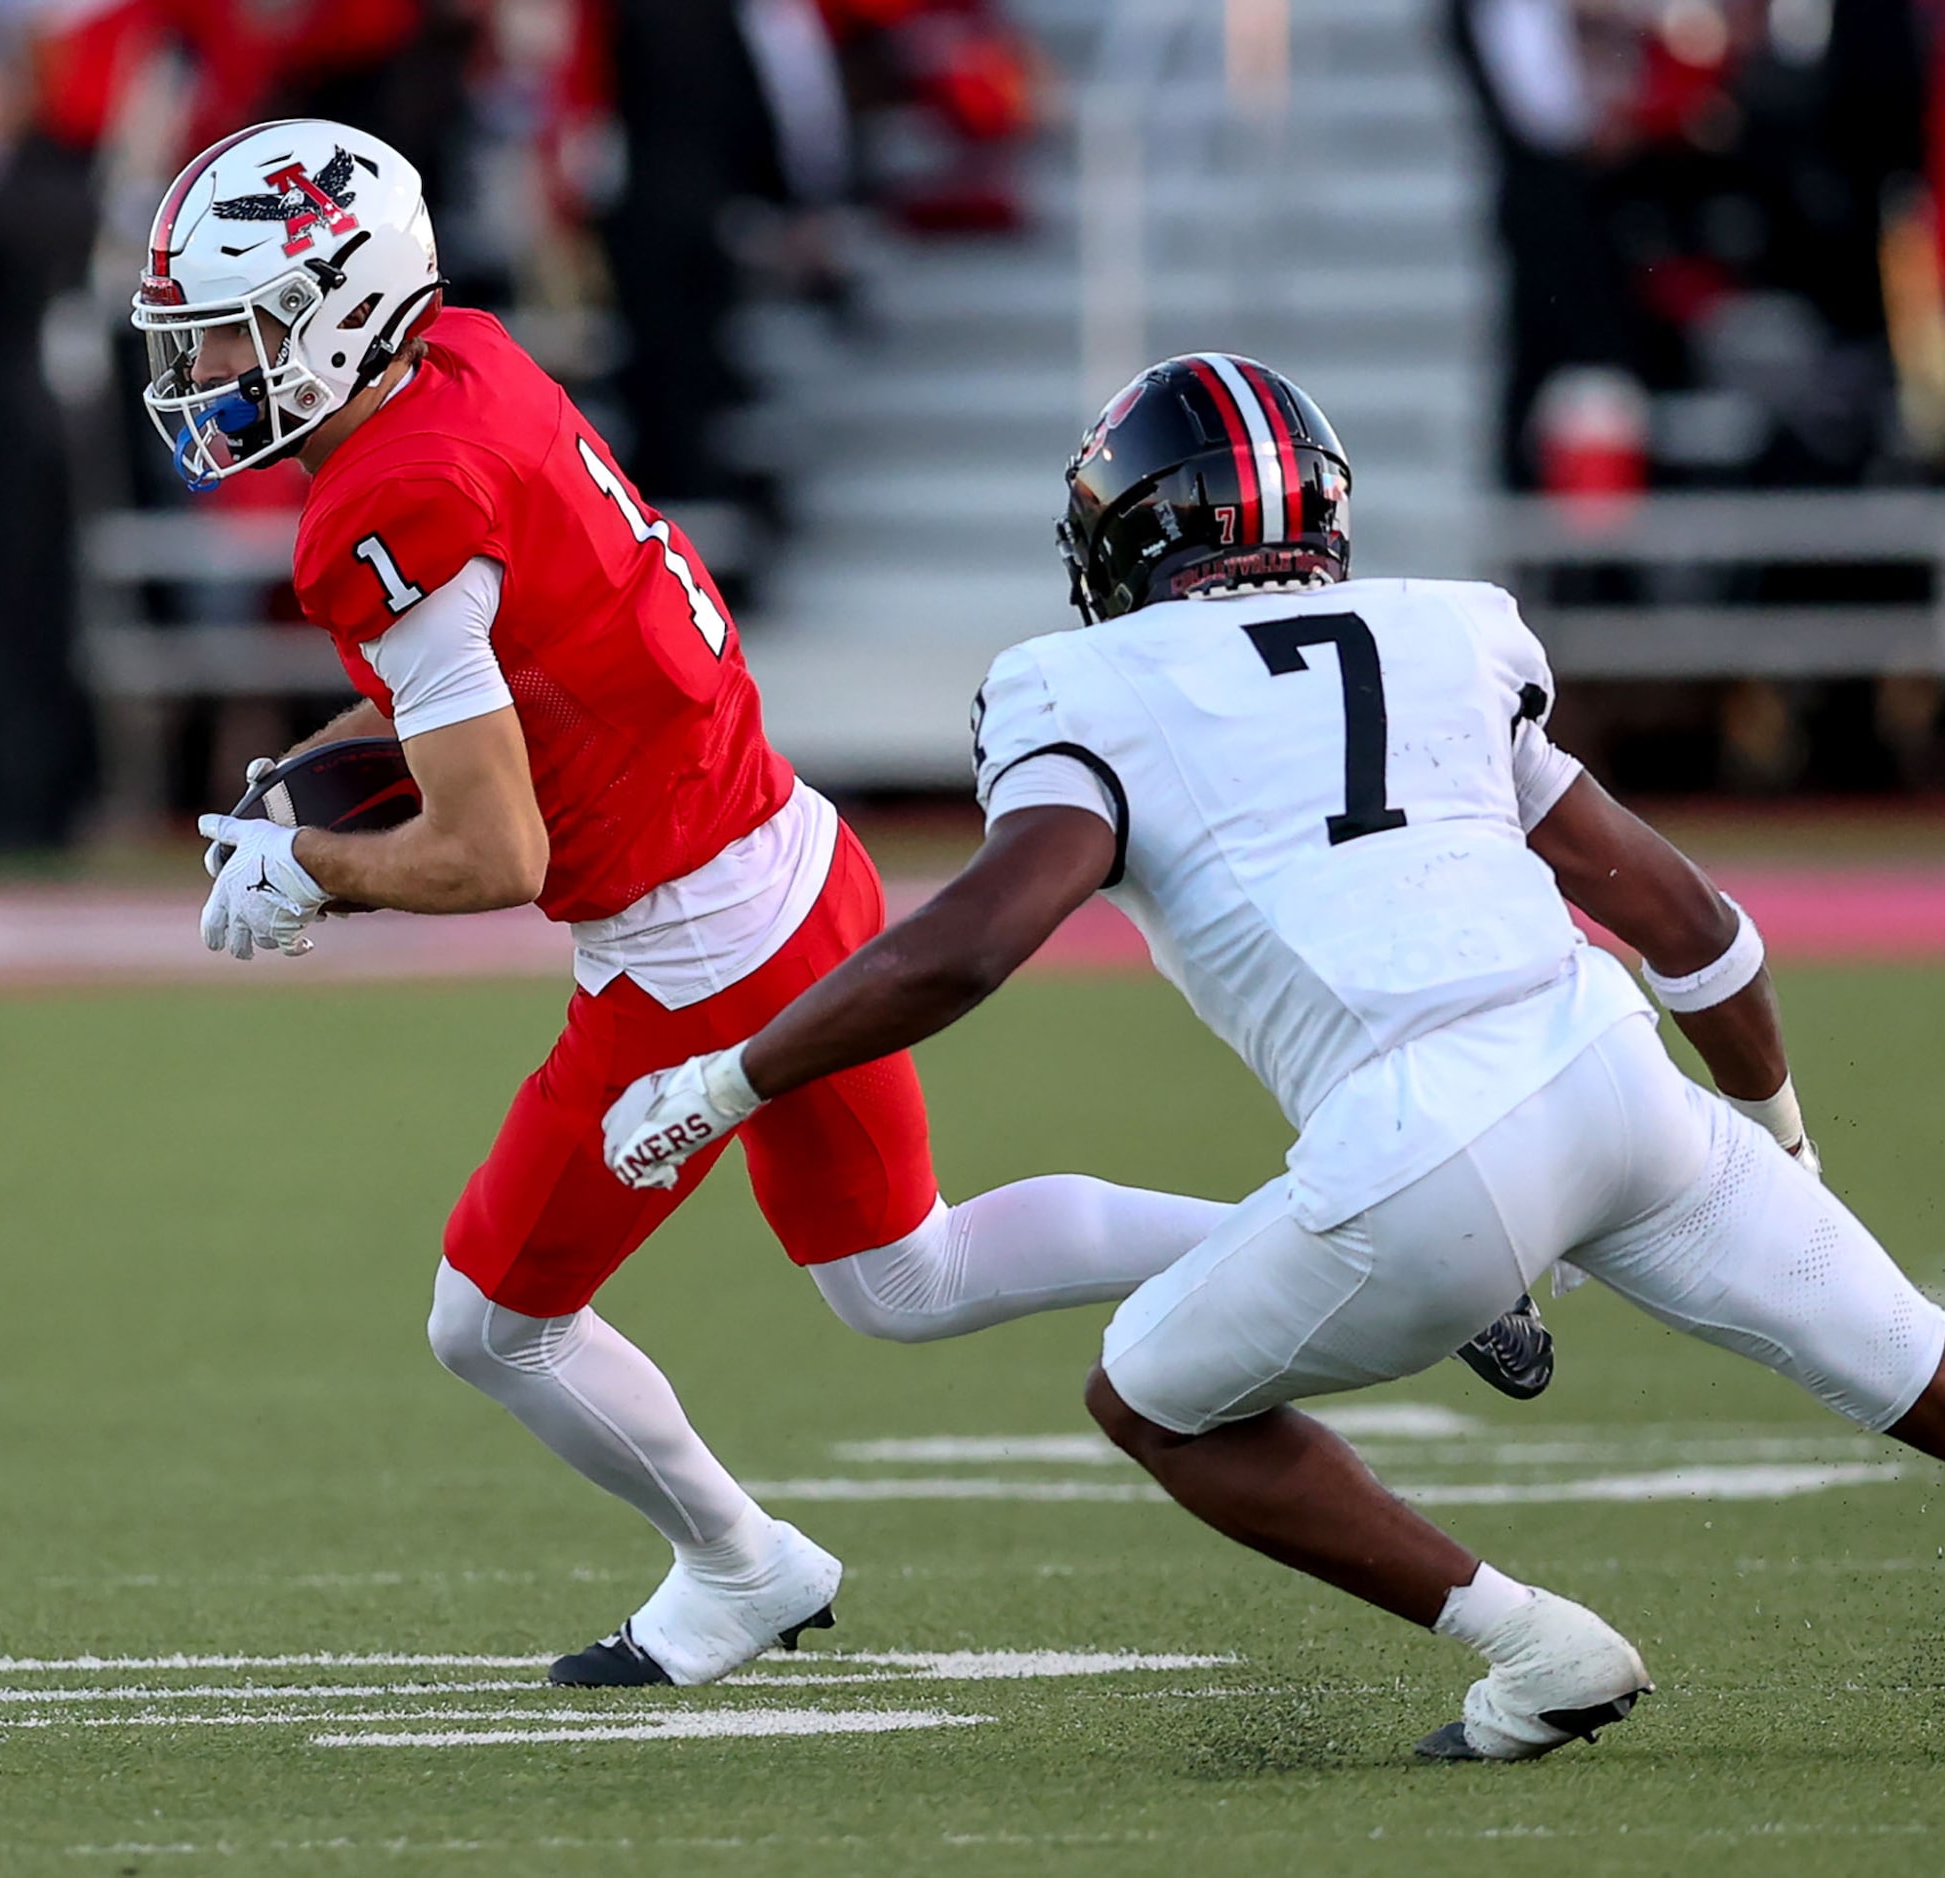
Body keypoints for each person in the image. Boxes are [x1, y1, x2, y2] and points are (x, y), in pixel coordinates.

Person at [598, 351, 1945, 1761]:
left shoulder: (1077, 687)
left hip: (1426, 1135)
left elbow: (980, 939)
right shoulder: (1449, 633)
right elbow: (1692, 919)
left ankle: (1534, 1643)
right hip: (1617, 1071)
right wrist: (1775, 1137)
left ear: (1127, 538)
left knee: (1150, 1397)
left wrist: (729, 1076)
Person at [133, 124, 1548, 1689]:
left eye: (236, 327)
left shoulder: (388, 506)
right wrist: (309, 788)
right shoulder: (457, 362)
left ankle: (735, 1563)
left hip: (690, 946)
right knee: (903, 1277)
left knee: (490, 1325)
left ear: (343, 304)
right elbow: (510, 672)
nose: (206, 366)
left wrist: (312, 872)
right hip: (791, 854)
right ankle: (1345, 1236)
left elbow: (494, 855)